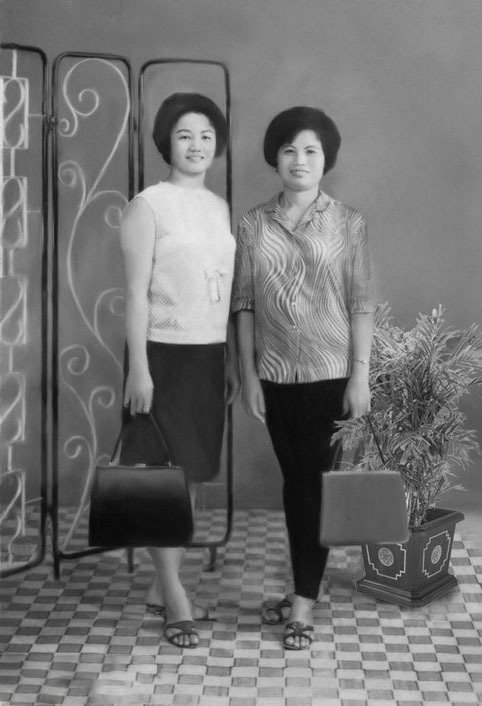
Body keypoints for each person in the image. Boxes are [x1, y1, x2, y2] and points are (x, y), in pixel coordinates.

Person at [232, 106, 375, 650]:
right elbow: (243, 304)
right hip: (274, 376)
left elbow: (361, 303)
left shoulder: (348, 222)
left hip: (330, 375)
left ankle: (303, 603)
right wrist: (248, 375)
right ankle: (303, 588)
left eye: (311, 150)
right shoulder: (252, 224)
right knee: (296, 485)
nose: (299, 159)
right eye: (289, 149)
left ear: (326, 158)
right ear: (275, 157)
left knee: (313, 485)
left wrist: (360, 376)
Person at [119, 92, 238, 648]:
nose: (196, 145)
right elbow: (135, 295)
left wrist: (228, 358)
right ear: (167, 141)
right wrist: (138, 369)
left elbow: (224, 289)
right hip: (161, 356)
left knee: (189, 477)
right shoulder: (148, 206)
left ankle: (158, 587)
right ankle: (176, 598)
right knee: (161, 480)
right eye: (185, 135)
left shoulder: (219, 207)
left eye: (206, 136)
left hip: (207, 356)